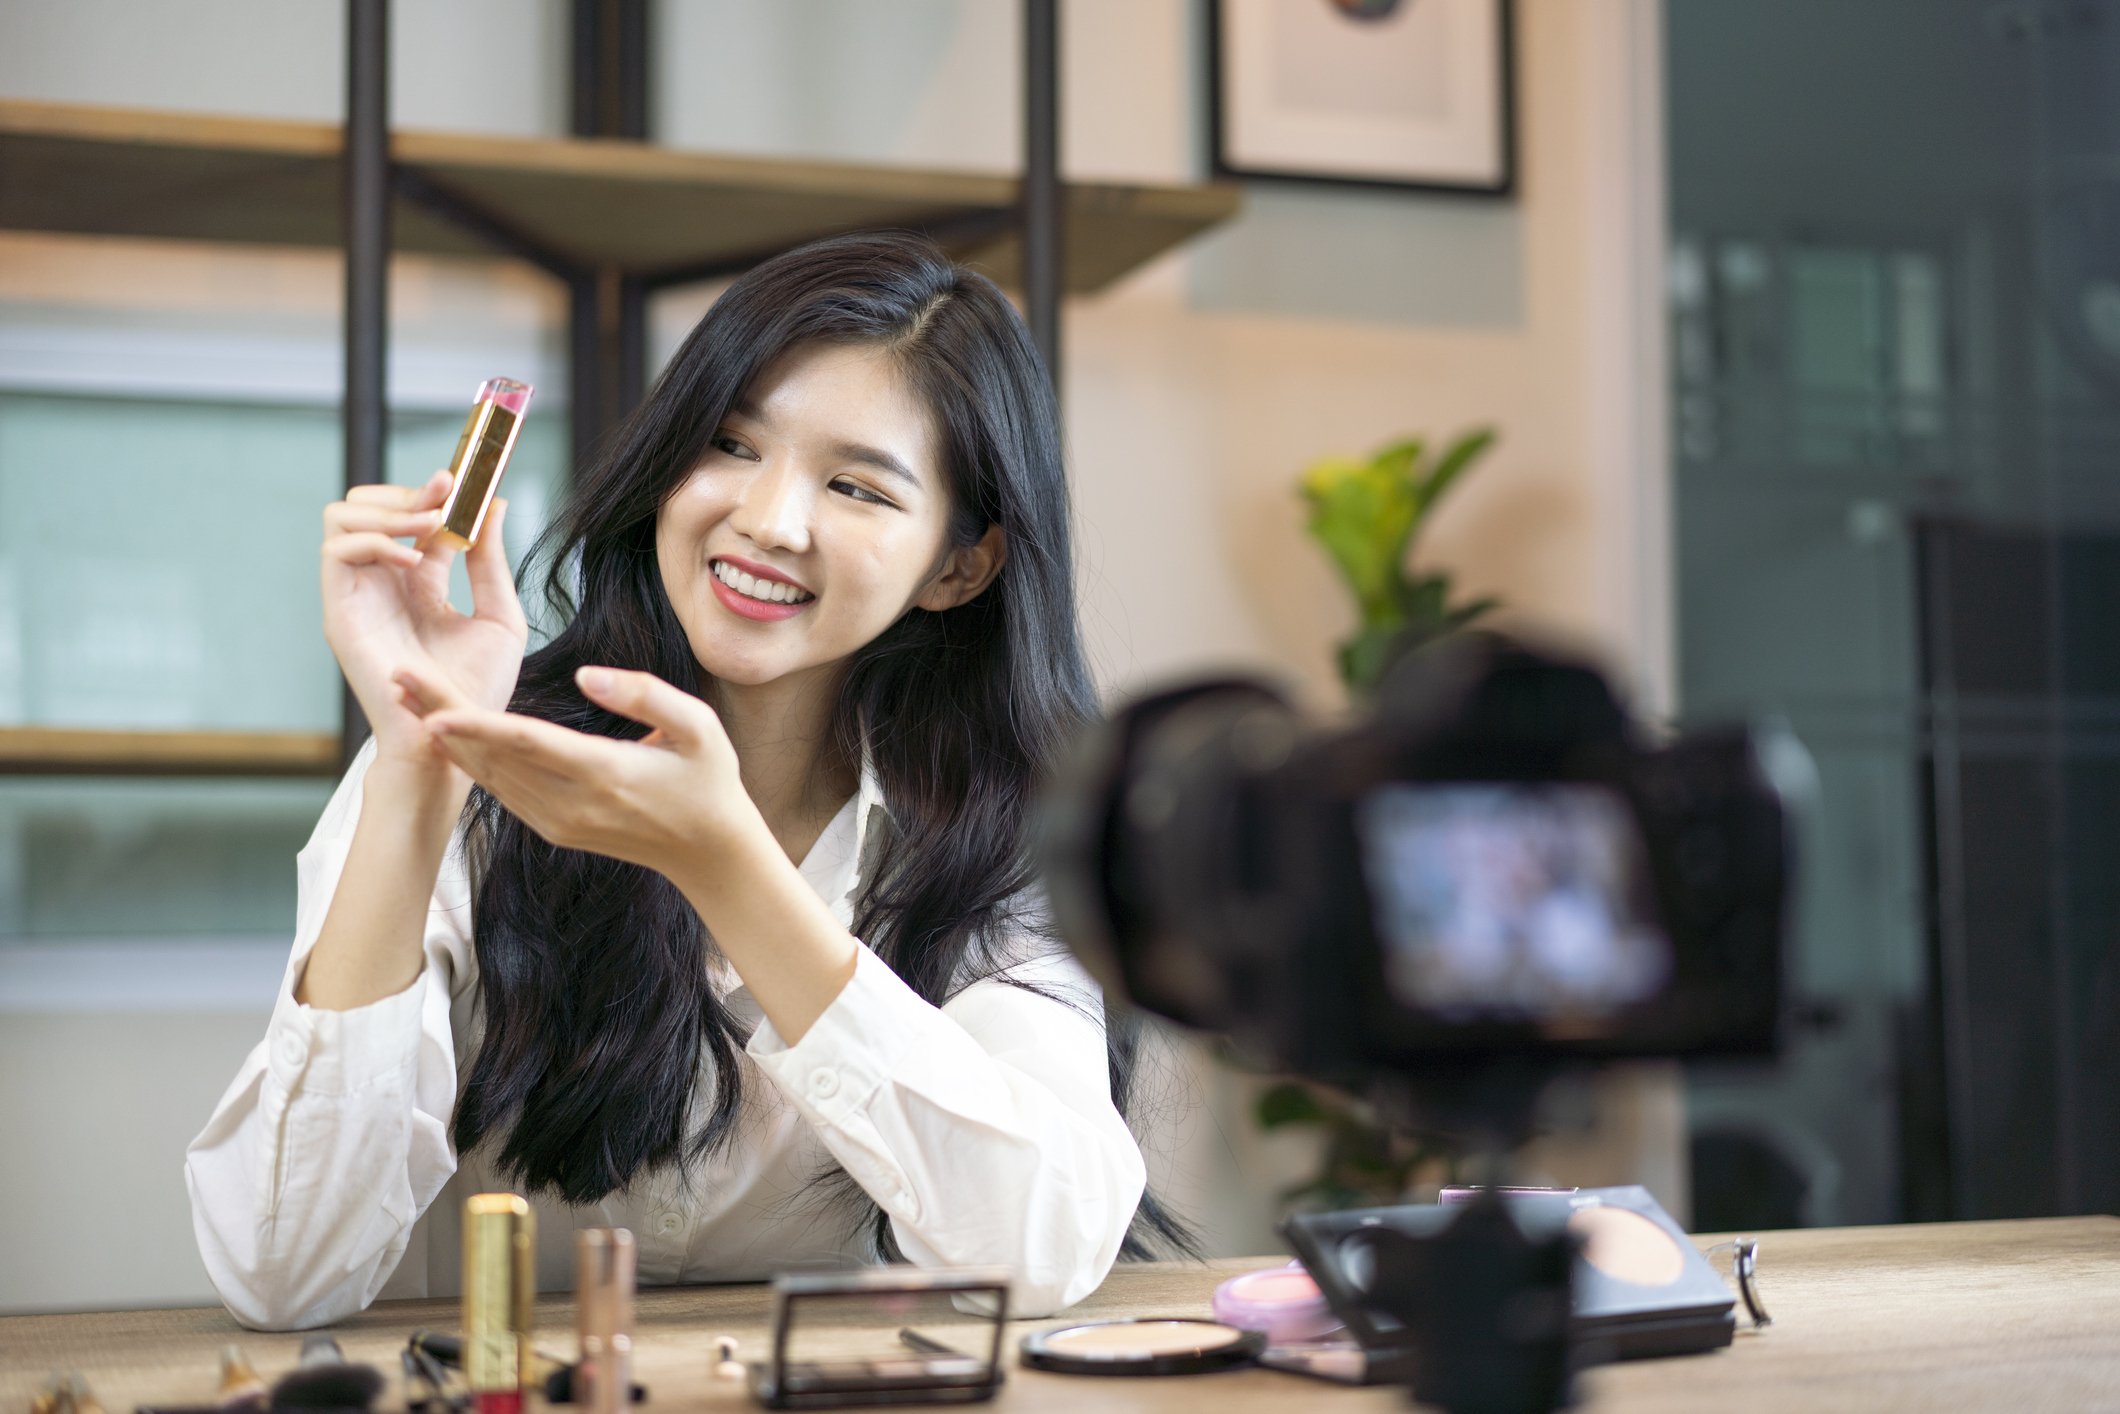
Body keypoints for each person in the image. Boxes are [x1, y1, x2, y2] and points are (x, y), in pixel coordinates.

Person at [185, 231, 1184, 1331]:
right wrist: (422, 757)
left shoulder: (1007, 834)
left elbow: (1042, 1247)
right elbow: (281, 1274)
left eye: (856, 485)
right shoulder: (476, 759)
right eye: (729, 443)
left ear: (958, 565)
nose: (768, 520)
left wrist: (727, 867)